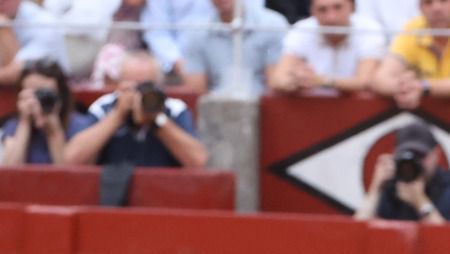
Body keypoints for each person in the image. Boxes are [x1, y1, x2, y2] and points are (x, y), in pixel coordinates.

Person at [63, 48, 209, 166]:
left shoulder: (174, 109)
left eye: (146, 87)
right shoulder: (104, 107)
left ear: (160, 87)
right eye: (133, 87)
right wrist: (117, 116)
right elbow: (71, 160)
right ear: (119, 85)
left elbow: (200, 162)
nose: (140, 94)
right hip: (112, 197)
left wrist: (157, 119)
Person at [373, 0, 450, 110]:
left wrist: (423, 87)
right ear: (419, 7)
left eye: (444, 1)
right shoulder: (413, 28)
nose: (436, 8)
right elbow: (379, 79)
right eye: (428, 2)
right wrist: (405, 87)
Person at [354, 121, 450, 222]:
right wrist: (374, 190)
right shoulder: (389, 194)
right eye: (406, 155)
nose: (414, 162)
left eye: (420, 156)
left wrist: (421, 203)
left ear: (436, 154)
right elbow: (356, 236)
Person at [268, 0, 388, 94]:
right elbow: (278, 79)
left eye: (338, 7)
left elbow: (364, 81)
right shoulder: (301, 30)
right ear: (312, 11)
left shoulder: (369, 30)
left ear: (352, 7)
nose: (331, 17)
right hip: (313, 112)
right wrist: (295, 81)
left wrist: (321, 81)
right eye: (322, 9)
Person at [178, 0, 289, 95]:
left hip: (263, 109)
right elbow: (197, 91)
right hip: (214, 111)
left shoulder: (272, 25)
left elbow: (275, 84)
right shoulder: (195, 32)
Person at [1, 58, 91, 164]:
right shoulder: (14, 125)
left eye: (46, 93)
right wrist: (25, 124)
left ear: (61, 95)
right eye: (34, 93)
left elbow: (68, 175)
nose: (39, 100)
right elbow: (11, 174)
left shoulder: (80, 125)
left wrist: (53, 131)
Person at [1, 0, 71, 85]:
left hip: (49, 94)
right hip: (13, 91)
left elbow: (15, 74)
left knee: (30, 91)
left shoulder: (44, 23)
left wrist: (4, 29)